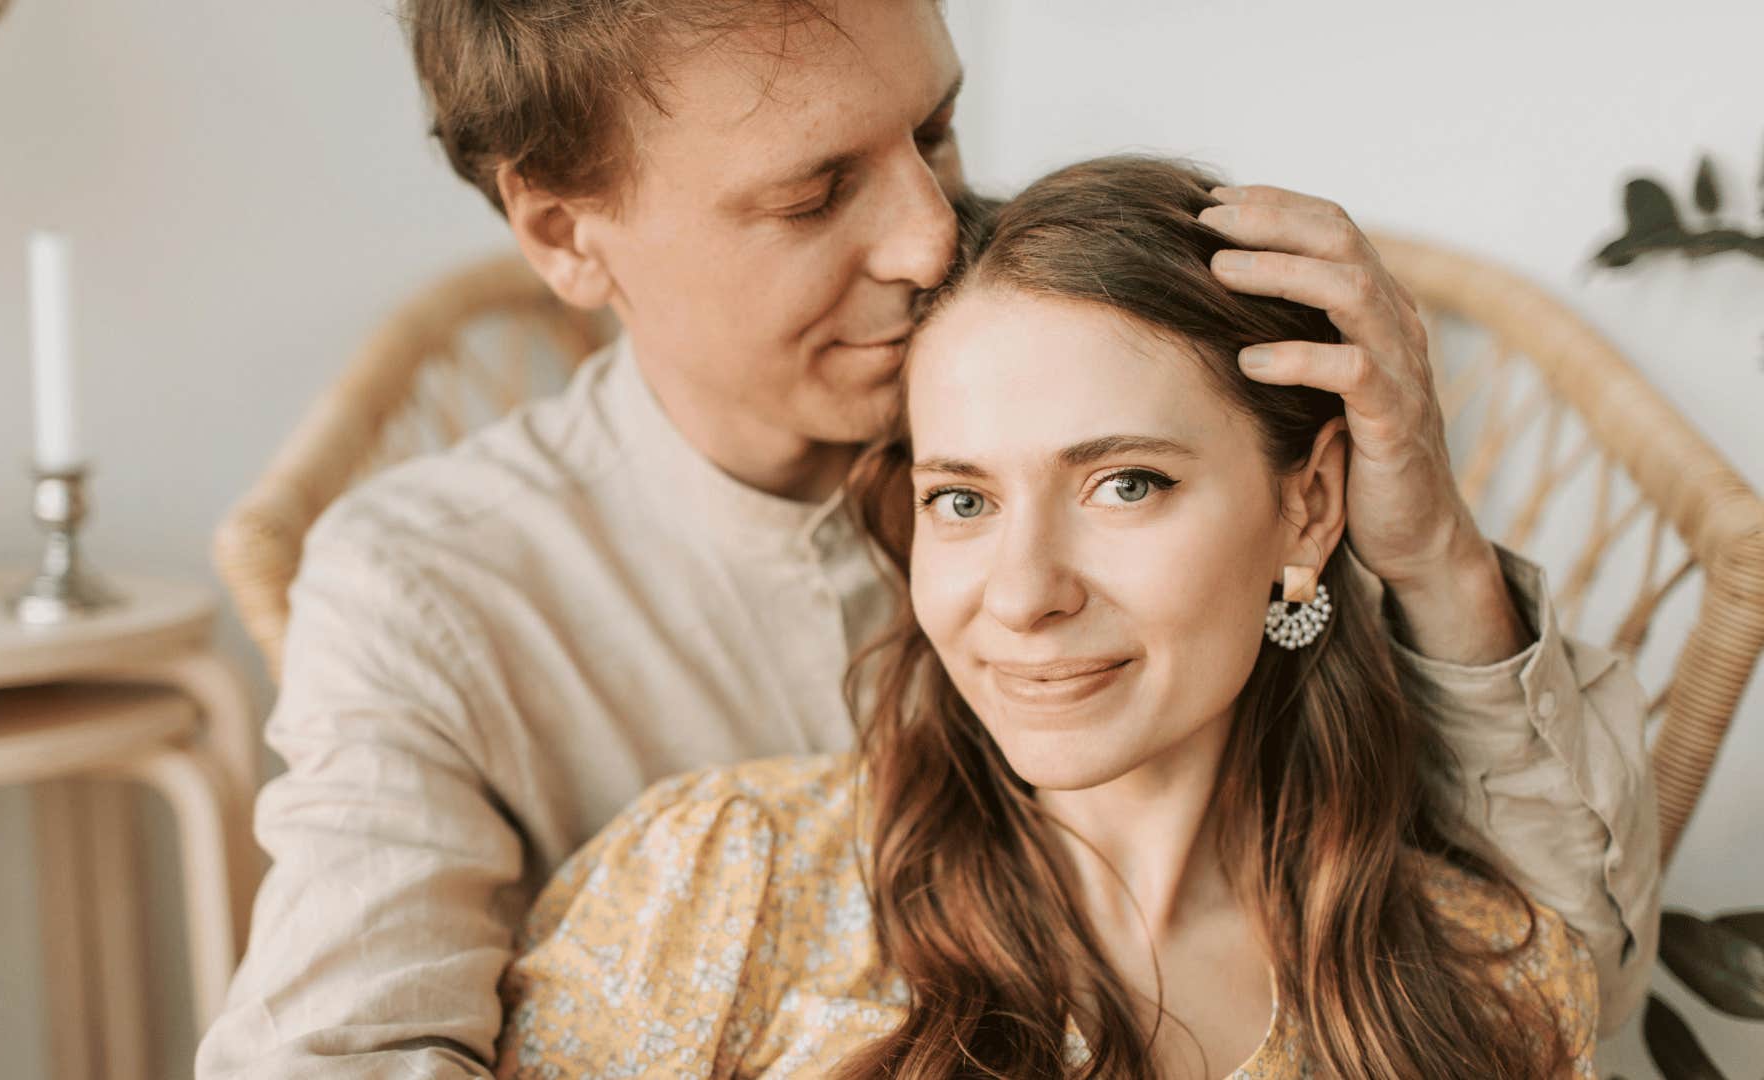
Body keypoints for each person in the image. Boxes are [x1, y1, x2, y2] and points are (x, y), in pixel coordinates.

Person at [196, 2, 1654, 1076]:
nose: (928, 235)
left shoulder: (1099, 349)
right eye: (815, 190)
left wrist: (1432, 554)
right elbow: (338, 1047)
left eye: (936, 129)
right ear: (567, 233)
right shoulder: (438, 595)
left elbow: (1565, 965)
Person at [494, 156, 1600, 1079]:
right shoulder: (722, 886)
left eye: (1125, 484)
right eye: (963, 501)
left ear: (1306, 508)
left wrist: (1440, 556)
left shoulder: (1488, 978)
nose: (1023, 596)